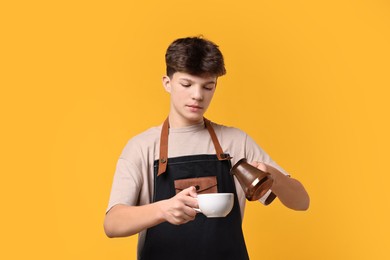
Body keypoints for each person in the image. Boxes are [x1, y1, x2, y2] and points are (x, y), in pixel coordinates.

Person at [104, 36, 310, 260]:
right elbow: (112, 224)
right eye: (186, 84)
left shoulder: (235, 142)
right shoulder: (142, 147)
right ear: (167, 83)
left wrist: (273, 177)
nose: (197, 95)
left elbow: (302, 202)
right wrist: (162, 210)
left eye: (208, 87)